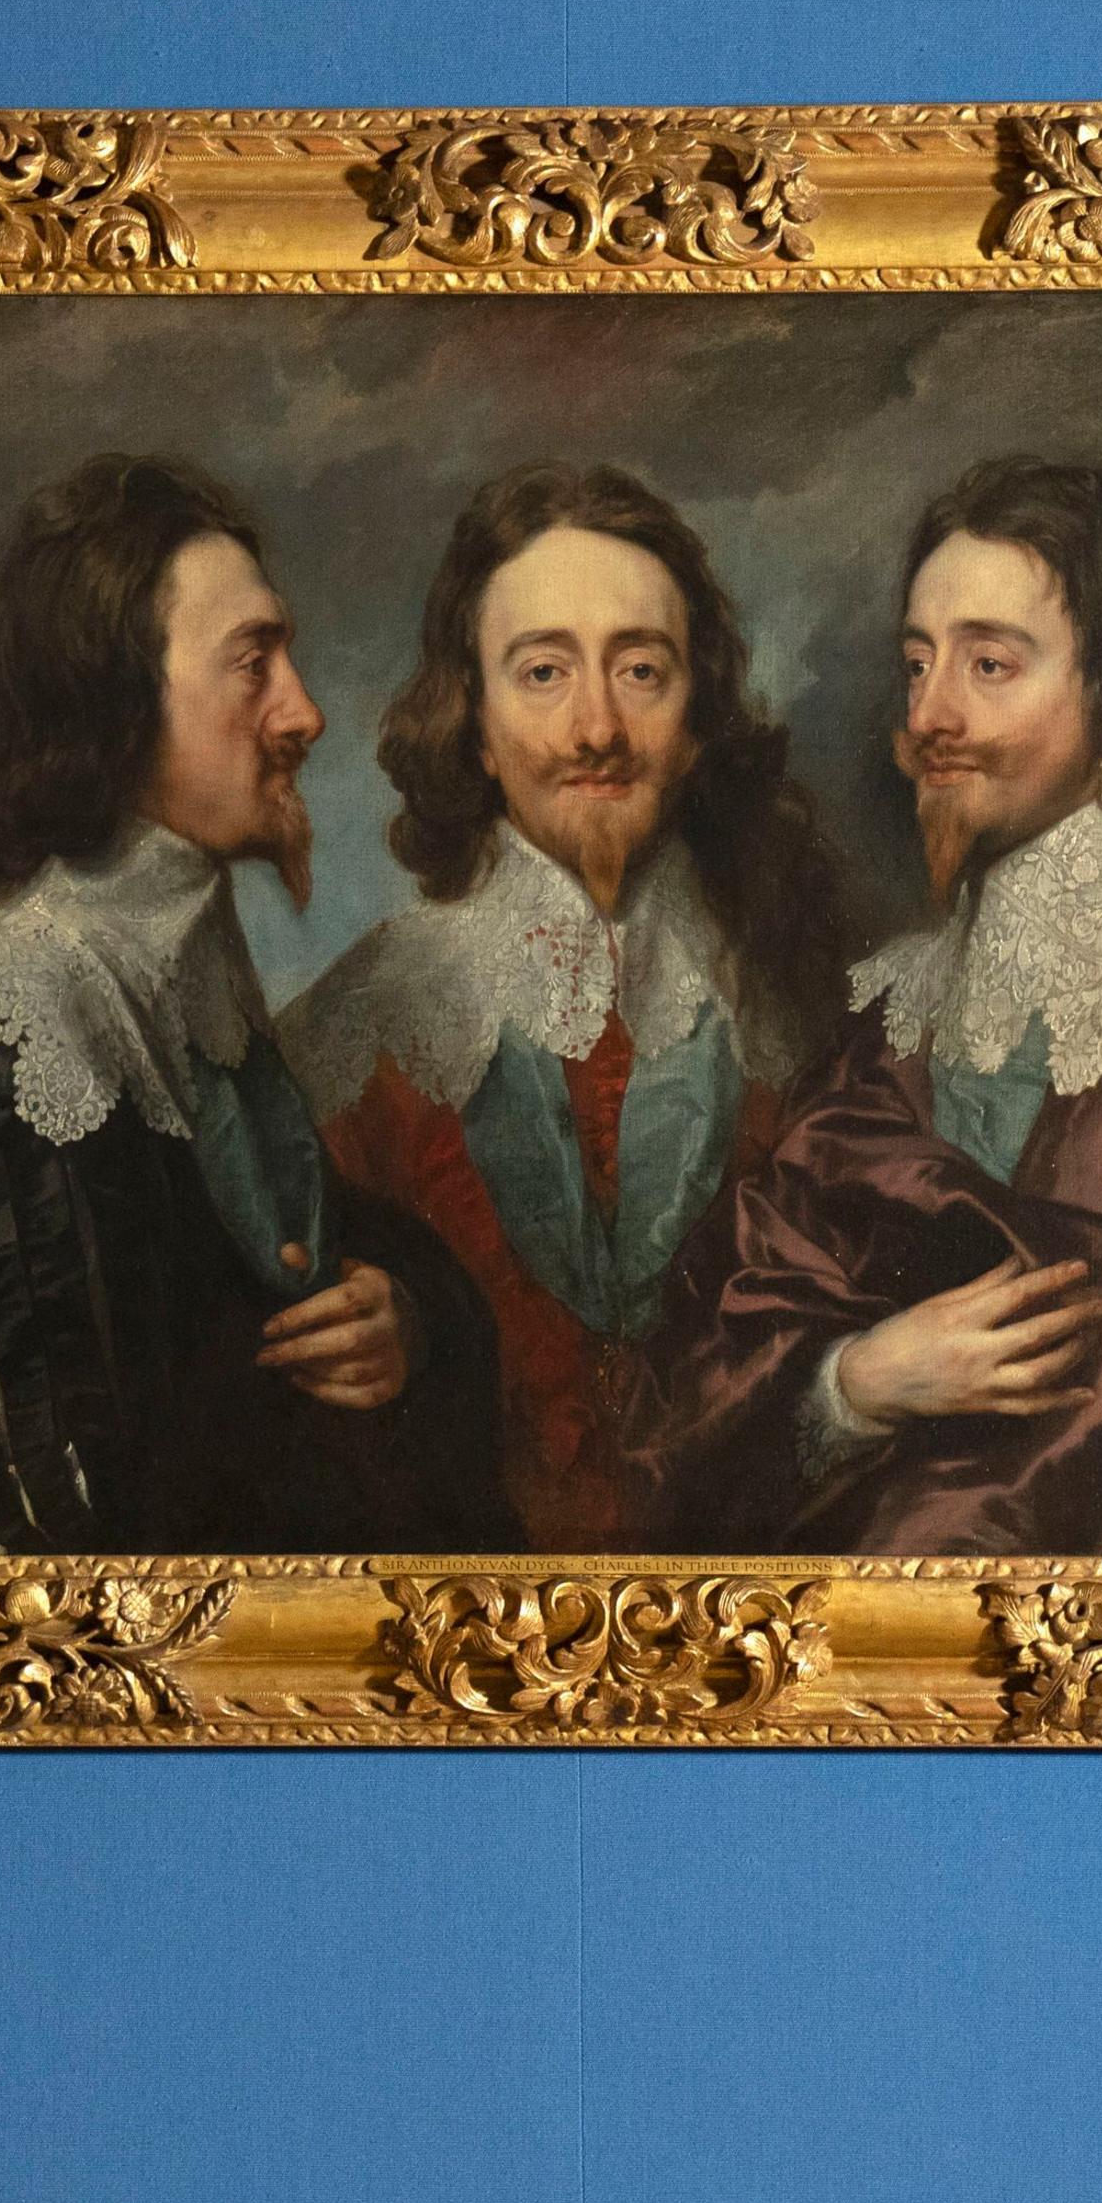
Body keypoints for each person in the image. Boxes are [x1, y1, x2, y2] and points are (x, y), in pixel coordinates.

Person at [628, 458, 1102, 1555]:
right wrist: (856, 1384)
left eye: (990, 664)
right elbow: (725, 1351)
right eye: (917, 664)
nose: (929, 715)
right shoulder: (894, 1013)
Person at [0, 453, 510, 1557]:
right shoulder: (8, 1000)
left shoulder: (169, 942)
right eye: (253, 664)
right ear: (113, 704)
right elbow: (64, 1506)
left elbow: (292, 1246)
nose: (305, 713)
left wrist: (410, 1324)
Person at [281, 464, 850, 1545]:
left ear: (698, 721)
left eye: (641, 670)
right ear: (475, 725)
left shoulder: (798, 1014)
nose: (597, 728)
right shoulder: (355, 1037)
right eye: (543, 672)